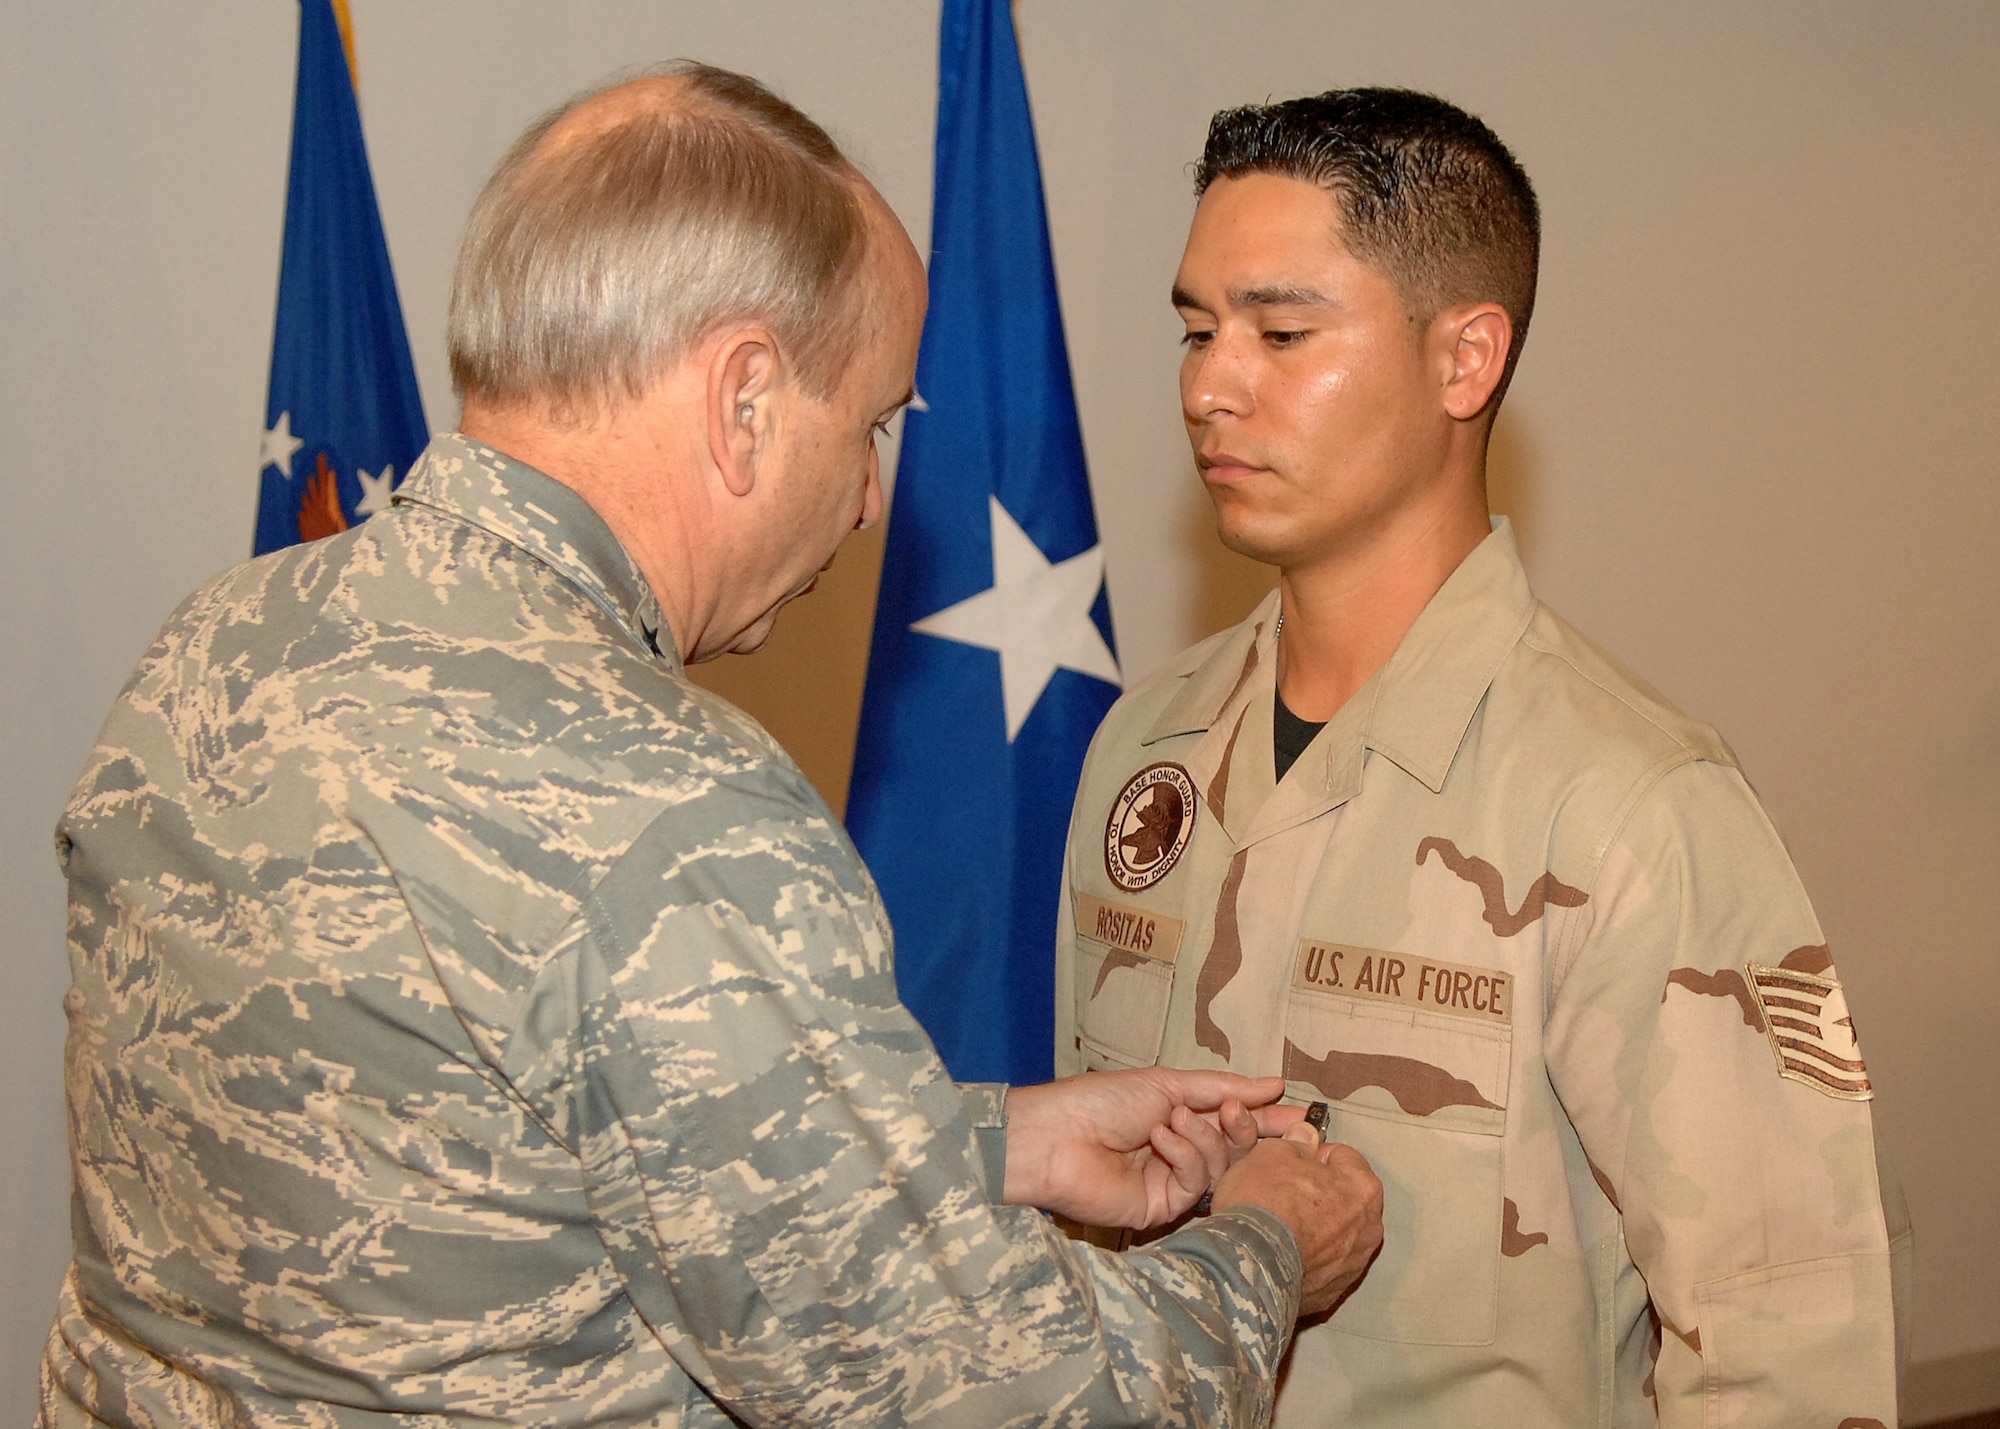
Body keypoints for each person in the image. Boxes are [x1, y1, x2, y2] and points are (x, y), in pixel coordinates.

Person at [41, 64, 1383, 1429]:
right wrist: (1266, 1243)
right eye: (869, 425)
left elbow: (459, 1152)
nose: (869, 502)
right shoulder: (674, 813)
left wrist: (982, 1143)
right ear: (744, 397)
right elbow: (1027, 1407)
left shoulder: (213, 644)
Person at [1055, 87, 1911, 1427]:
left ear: (1466, 361)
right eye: (1196, 330)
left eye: (1281, 331)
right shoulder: (1143, 752)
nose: (1210, 385)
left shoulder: (1626, 802)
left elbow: (1785, 1351)